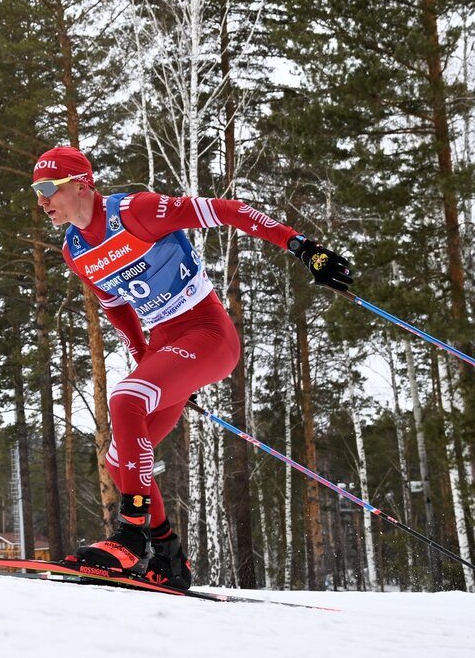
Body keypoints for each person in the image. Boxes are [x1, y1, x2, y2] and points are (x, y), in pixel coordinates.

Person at [31, 145, 352, 589]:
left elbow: (227, 210)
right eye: (36, 190)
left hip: (208, 334)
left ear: (82, 184)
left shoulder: (137, 212)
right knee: (118, 460)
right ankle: (168, 558)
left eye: (49, 188)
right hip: (167, 344)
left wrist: (301, 246)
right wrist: (147, 359)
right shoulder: (74, 249)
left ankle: (130, 536)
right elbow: (116, 306)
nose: (42, 199)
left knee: (125, 399)